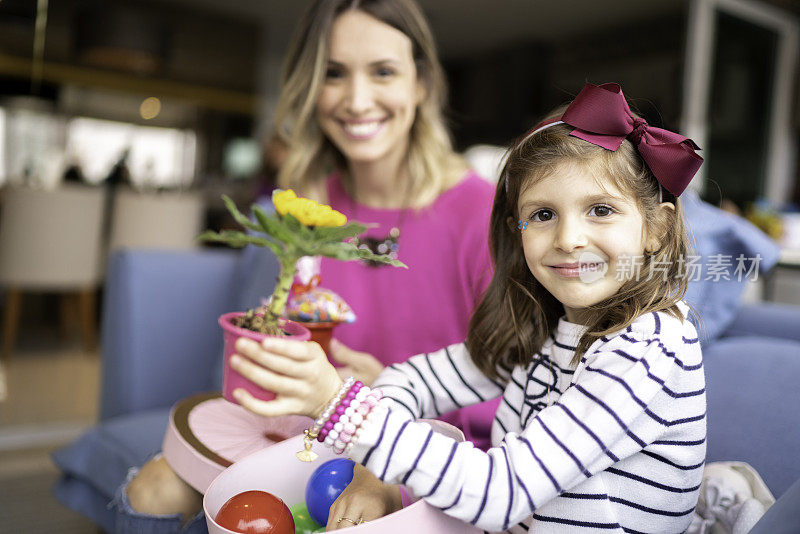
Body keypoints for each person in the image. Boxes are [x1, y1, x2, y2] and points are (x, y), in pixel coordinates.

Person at [230, 82, 707, 532]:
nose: (568, 239)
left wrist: (334, 403)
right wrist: (372, 472)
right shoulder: (544, 330)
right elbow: (409, 379)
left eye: (600, 210)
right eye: (543, 215)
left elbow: (502, 491)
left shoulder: (648, 347)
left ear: (656, 231)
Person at [116, 0, 495, 531]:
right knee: (153, 487)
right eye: (333, 74)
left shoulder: (482, 214)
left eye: (383, 72)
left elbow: (512, 398)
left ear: (422, 84)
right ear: (310, 86)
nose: (357, 99)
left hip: (430, 449)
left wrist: (387, 395)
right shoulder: (301, 211)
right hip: (312, 435)